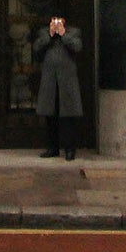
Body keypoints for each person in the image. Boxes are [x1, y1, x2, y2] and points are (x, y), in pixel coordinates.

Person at [31, 14, 83, 160]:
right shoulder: (44, 33)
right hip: (50, 81)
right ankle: (52, 147)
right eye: (54, 20)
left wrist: (63, 34)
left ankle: (69, 149)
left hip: (67, 82)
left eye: (59, 20)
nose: (56, 23)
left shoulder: (73, 33)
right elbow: (37, 48)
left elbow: (77, 47)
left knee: (68, 118)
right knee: (50, 116)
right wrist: (50, 34)